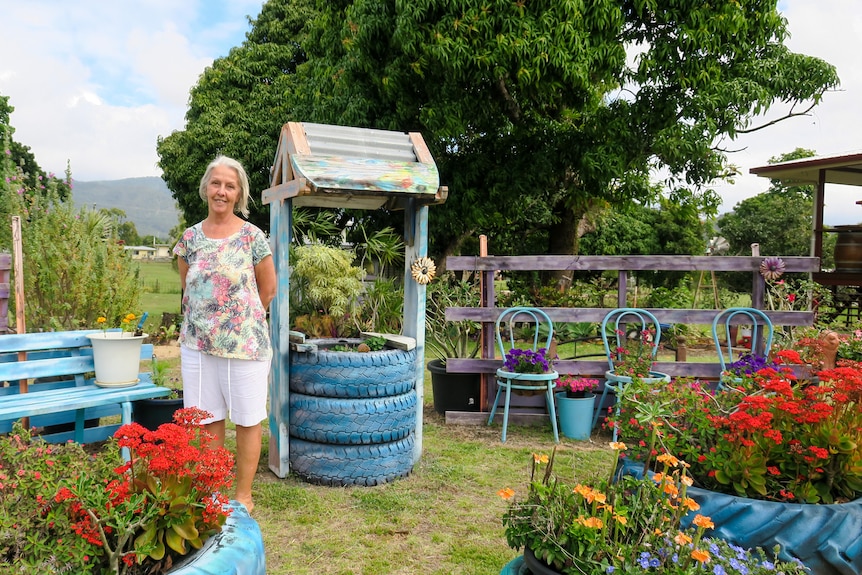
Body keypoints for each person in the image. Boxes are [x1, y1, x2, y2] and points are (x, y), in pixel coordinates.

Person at [173, 155, 276, 513]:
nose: (221, 191)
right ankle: (212, 493)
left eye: (229, 186)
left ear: (239, 194)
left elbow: (269, 288)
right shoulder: (189, 238)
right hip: (198, 347)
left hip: (244, 346)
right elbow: (187, 286)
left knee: (247, 419)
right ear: (206, 188)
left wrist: (239, 322)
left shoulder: (252, 237)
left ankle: (243, 495)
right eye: (216, 183)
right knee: (206, 419)